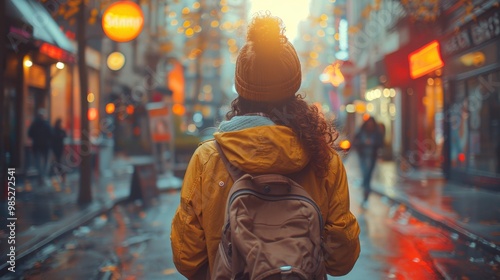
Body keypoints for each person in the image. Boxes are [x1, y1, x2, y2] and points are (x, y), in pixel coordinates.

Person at [171, 12, 360, 279]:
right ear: (294, 84)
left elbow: (186, 259)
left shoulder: (207, 158)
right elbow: (342, 260)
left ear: (240, 86)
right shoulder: (323, 160)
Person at [353, 116, 382, 208]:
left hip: (372, 156)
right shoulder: (362, 131)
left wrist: (373, 144)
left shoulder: (376, 133)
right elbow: (355, 141)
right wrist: (363, 144)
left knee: (368, 174)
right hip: (363, 156)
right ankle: (366, 190)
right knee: (365, 173)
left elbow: (380, 142)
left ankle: (366, 191)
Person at [28, 108, 52, 185]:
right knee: (44, 162)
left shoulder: (34, 124)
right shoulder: (46, 124)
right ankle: (42, 177)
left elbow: (29, 134)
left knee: (38, 162)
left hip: (37, 145)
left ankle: (40, 176)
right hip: (45, 146)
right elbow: (51, 134)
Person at [52, 118, 67, 184]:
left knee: (59, 163)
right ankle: (62, 176)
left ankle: (62, 176)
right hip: (56, 149)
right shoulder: (55, 131)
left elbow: (65, 136)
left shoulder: (61, 131)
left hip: (60, 149)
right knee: (58, 163)